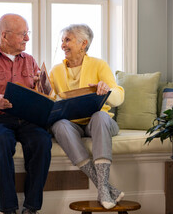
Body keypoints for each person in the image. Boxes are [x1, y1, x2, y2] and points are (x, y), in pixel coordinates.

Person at [0, 13, 52, 214]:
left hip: (27, 119)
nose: (27, 39)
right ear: (4, 36)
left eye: (27, 33)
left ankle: (31, 208)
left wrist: (44, 87)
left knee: (42, 141)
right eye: (23, 34)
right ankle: (8, 208)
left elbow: (41, 96)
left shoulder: (30, 61)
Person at [49, 24, 125, 209]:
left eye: (68, 40)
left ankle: (103, 188)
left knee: (99, 116)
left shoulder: (99, 64)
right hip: (73, 125)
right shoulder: (56, 71)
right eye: (62, 41)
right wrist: (40, 88)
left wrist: (107, 91)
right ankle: (104, 188)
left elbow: (119, 96)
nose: (63, 45)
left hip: (100, 123)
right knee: (59, 125)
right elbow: (50, 102)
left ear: (84, 43)